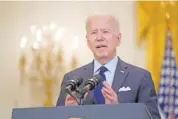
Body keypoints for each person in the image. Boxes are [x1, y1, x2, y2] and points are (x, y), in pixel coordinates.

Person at [56, 15, 161, 119]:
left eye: (105, 31)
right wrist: (68, 112)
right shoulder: (71, 79)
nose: (99, 38)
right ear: (88, 42)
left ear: (118, 39)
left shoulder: (140, 77)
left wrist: (118, 112)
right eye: (94, 32)